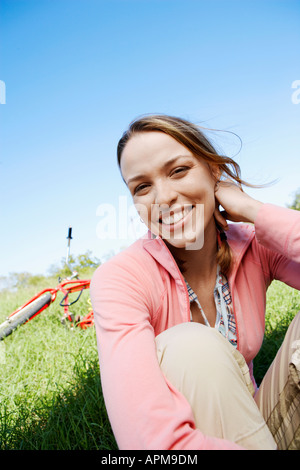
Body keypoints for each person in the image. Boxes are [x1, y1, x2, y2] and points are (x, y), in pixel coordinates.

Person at [90, 114, 300, 450]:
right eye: (142, 187)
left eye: (178, 171)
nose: (163, 197)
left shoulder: (253, 246)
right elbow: (149, 442)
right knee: (188, 346)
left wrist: (252, 210)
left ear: (213, 170)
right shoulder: (121, 278)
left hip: (260, 421)